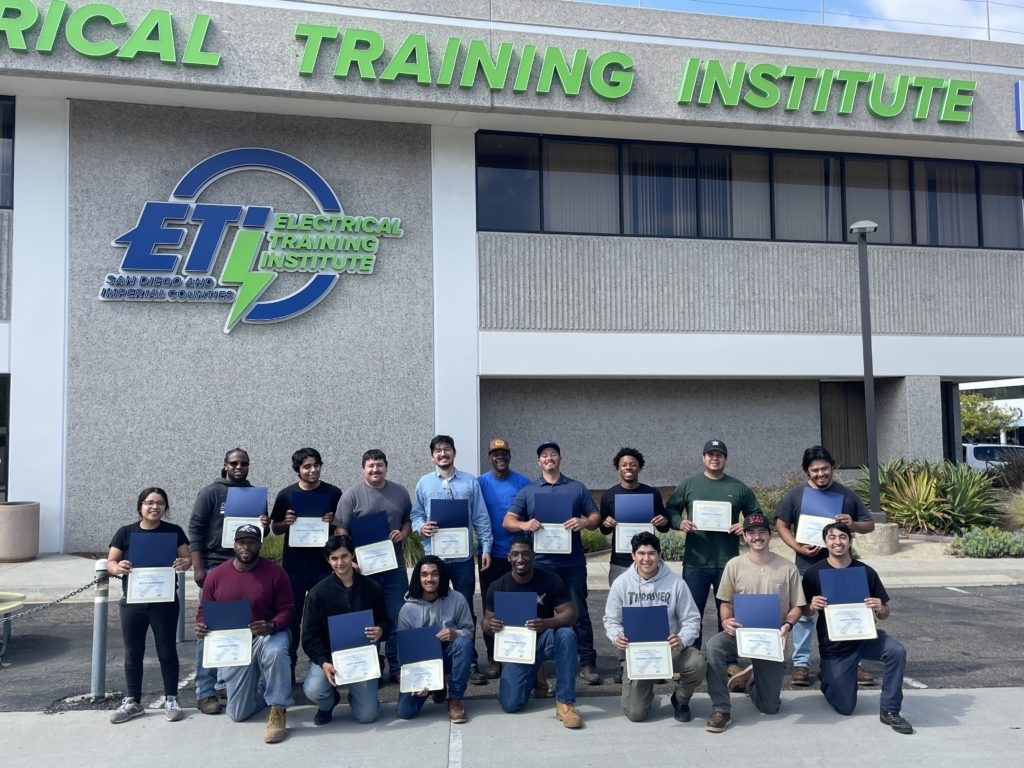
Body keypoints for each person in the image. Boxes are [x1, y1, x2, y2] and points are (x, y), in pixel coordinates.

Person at [774, 445, 876, 687]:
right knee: (805, 616)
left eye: (825, 469)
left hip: (842, 568)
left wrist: (853, 524)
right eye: (815, 470)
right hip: (806, 566)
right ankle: (801, 664)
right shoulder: (796, 494)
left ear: (832, 468)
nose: (821, 474)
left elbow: (869, 524)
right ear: (807, 472)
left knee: (847, 613)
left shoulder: (847, 495)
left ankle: (854, 663)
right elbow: (781, 524)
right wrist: (797, 547)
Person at [504, 440, 603, 685]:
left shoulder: (576, 488)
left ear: (560, 459)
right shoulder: (529, 491)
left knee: (578, 611)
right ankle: (536, 665)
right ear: (539, 462)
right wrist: (525, 524)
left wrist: (583, 523)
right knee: (537, 612)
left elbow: (596, 517)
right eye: (544, 456)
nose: (549, 459)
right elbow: (508, 521)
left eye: (553, 455)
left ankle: (587, 661)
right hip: (539, 565)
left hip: (571, 564)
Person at [802, 522, 913, 734]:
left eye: (842, 537)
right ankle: (827, 678)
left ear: (850, 540)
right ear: (825, 542)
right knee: (845, 707)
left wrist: (880, 608)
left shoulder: (865, 572)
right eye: (832, 538)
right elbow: (803, 612)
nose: (838, 542)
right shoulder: (814, 573)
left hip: (866, 638)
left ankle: (890, 710)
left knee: (896, 651)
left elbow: (885, 612)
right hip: (836, 646)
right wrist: (811, 606)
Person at [703, 513, 806, 733]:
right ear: (745, 537)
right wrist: (725, 619)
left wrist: (787, 625)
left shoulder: (788, 567)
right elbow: (726, 601)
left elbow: (797, 606)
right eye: (751, 533)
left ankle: (751, 683)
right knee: (714, 646)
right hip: (741, 633)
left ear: (770, 535)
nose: (757, 537)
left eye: (762, 532)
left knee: (770, 707)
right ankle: (721, 708)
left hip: (773, 638)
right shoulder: (734, 565)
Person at [195, 524, 294, 744]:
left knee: (276, 652)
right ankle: (263, 690)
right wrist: (202, 625)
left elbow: (288, 610)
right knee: (238, 713)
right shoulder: (216, 575)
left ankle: (278, 709)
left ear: (260, 545)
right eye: (241, 542)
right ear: (234, 544)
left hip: (267, 636)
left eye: (251, 542)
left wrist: (271, 626)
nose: (246, 547)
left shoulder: (275, 573)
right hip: (235, 644)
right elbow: (205, 611)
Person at [188, 448, 268, 715]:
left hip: (246, 565)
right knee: (209, 629)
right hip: (215, 564)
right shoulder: (211, 492)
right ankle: (206, 691)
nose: (239, 467)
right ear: (225, 465)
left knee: (242, 625)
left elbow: (258, 534)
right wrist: (198, 567)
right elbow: (196, 528)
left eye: (244, 463)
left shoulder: (254, 494)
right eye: (234, 463)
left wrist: (265, 525)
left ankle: (229, 682)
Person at [411, 434, 492, 686]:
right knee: (430, 608)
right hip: (434, 559)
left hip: (463, 558)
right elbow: (415, 514)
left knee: (464, 607)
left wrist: (485, 547)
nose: (443, 454)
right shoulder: (424, 483)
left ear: (454, 453)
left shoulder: (470, 482)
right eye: (438, 450)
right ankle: (435, 659)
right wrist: (420, 527)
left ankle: (469, 659)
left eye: (447, 449)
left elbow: (480, 516)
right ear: (432, 456)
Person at [666, 439, 762, 650]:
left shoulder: (738, 487)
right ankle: (690, 658)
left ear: (725, 459)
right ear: (703, 458)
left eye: (719, 454)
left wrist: (744, 526)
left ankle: (728, 659)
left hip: (728, 562)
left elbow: (756, 515)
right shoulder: (689, 484)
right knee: (691, 614)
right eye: (710, 454)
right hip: (696, 561)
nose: (714, 458)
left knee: (728, 613)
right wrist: (679, 522)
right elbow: (671, 509)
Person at [106, 487, 191, 724]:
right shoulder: (125, 532)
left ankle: (171, 698)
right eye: (149, 502)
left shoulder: (174, 531)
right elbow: (111, 562)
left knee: (166, 650)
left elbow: (187, 559)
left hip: (164, 602)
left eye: (160, 503)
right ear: (140, 506)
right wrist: (117, 567)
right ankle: (133, 701)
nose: (155, 507)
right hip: (133, 602)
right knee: (133, 652)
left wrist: (182, 563)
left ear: (166, 507)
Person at [603, 531, 706, 724]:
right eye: (641, 553)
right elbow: (611, 619)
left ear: (659, 555)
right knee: (636, 714)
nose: (646, 558)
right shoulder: (621, 584)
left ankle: (681, 699)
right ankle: (645, 691)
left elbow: (692, 619)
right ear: (633, 556)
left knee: (698, 663)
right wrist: (617, 636)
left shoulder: (676, 583)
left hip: (669, 649)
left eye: (651, 553)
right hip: (637, 652)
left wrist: (682, 639)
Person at [482, 538, 583, 729]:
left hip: (545, 640)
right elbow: (485, 622)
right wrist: (490, 625)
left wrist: (546, 623)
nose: (521, 559)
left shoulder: (550, 580)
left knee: (566, 635)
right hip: (517, 650)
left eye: (526, 553)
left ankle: (565, 702)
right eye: (515, 554)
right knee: (511, 705)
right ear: (508, 557)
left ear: (533, 556)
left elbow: (570, 615)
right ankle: (535, 675)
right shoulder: (498, 586)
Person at [335, 448, 412, 684]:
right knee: (368, 617)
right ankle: (373, 665)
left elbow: (408, 521)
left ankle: (396, 665)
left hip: (394, 567)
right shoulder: (351, 495)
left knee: (397, 615)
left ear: (386, 467)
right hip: (364, 570)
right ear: (363, 469)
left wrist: (403, 533)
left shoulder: (399, 492)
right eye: (370, 465)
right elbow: (341, 529)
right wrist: (352, 558)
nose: (375, 469)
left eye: (379, 465)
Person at [268, 447, 341, 680]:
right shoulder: (286, 495)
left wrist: (332, 522)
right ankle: (288, 671)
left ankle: (325, 668)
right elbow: (274, 529)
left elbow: (340, 529)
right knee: (292, 620)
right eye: (307, 466)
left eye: (316, 465)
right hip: (294, 569)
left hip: (323, 568)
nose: (313, 470)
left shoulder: (333, 493)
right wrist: (286, 523)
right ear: (297, 470)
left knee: (327, 619)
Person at [599, 447, 670, 683]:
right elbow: (602, 527)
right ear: (617, 468)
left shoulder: (652, 494)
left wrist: (663, 521)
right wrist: (607, 523)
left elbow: (663, 526)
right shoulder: (609, 495)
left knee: (652, 609)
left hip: (649, 562)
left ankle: (655, 659)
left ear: (639, 467)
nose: (628, 468)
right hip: (620, 562)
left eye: (632, 464)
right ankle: (624, 663)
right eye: (624, 465)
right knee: (622, 612)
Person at [300, 535, 388, 726]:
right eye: (334, 558)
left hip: (361, 656)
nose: (340, 562)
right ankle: (329, 702)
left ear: (353, 555)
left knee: (367, 716)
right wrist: (323, 662)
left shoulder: (372, 588)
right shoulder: (317, 593)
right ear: (328, 560)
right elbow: (309, 637)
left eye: (344, 556)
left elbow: (385, 620)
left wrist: (381, 630)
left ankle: (358, 696)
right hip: (329, 657)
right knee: (313, 690)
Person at [395, 555, 475, 723]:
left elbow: (469, 630)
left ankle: (455, 698)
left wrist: (456, 634)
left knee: (464, 643)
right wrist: (415, 680)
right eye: (424, 574)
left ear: (442, 576)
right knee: (405, 711)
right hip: (422, 665)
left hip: (449, 655)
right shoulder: (407, 609)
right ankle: (436, 686)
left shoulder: (457, 599)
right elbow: (404, 653)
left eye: (434, 574)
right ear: (418, 577)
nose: (429, 579)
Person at [476, 437, 531, 679]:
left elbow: (532, 516)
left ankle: (519, 652)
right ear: (489, 458)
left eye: (504, 453)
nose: (500, 457)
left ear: (510, 456)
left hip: (519, 555)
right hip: (490, 554)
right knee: (492, 607)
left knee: (521, 604)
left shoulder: (523, 483)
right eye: (495, 453)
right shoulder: (480, 484)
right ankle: (494, 658)